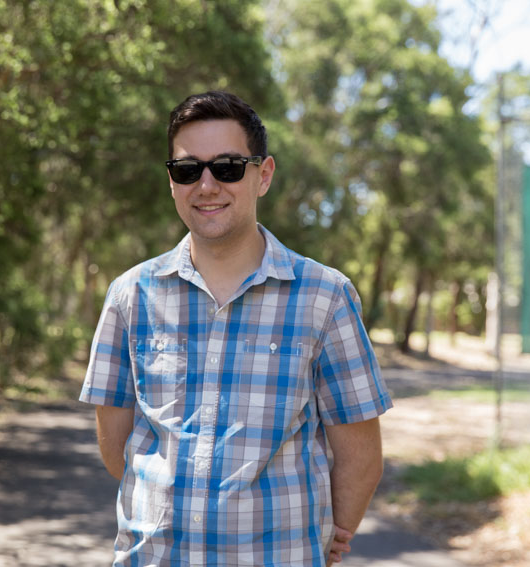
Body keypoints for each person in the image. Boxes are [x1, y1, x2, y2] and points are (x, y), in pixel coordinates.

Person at [80, 90, 393, 566]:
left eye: (227, 166)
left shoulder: (325, 297)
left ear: (262, 175)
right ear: (171, 180)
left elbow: (360, 453)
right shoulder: (130, 294)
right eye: (188, 170)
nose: (206, 185)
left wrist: (333, 532)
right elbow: (115, 443)